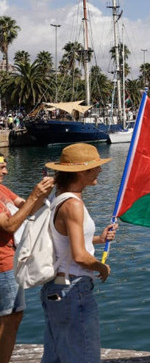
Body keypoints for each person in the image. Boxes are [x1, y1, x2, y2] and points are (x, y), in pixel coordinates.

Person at [40, 143, 117, 363]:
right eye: (95, 167)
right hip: (74, 289)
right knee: (84, 356)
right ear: (81, 171)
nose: (100, 170)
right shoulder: (73, 204)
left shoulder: (60, 197)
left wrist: (99, 239)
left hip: (55, 288)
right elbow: (79, 256)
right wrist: (101, 267)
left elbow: (62, 239)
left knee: (55, 356)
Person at [0, 154, 53, 363]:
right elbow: (9, 226)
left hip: (9, 261)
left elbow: (26, 205)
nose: (6, 171)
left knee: (13, 317)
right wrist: (34, 196)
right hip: (3, 264)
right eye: (2, 167)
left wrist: (43, 192)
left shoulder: (3, 190)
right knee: (9, 319)